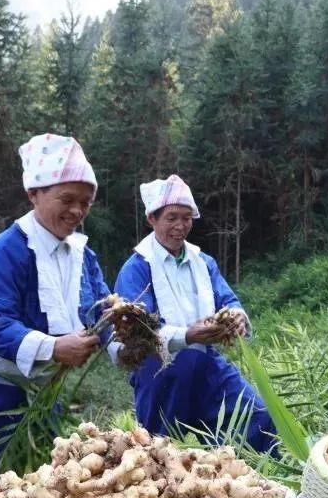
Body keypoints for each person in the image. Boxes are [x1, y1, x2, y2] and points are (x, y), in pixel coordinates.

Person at [0, 134, 112, 498]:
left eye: (85, 202)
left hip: (45, 400)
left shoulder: (83, 255)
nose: (77, 211)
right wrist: (54, 346)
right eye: (66, 199)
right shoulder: (3, 252)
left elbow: (100, 310)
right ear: (34, 193)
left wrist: (122, 325)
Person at [112, 174, 275, 452]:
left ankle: (249, 482)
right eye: (172, 217)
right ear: (152, 219)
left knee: (257, 416)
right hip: (160, 371)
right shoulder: (138, 267)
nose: (180, 226)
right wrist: (188, 335)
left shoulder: (203, 262)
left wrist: (236, 316)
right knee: (156, 448)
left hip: (206, 362)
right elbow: (136, 333)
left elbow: (228, 299)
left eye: (186, 218)